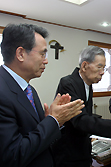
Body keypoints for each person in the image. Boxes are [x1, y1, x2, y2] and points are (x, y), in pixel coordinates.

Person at [0, 23, 84, 167]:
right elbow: (12, 155)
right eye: (42, 54)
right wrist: (53, 120)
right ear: (20, 54)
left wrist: (49, 121)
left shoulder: (29, 89)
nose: (46, 60)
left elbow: (32, 132)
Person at [51, 46, 111, 167]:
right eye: (99, 67)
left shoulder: (88, 84)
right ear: (84, 66)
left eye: (104, 68)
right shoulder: (68, 83)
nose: (102, 72)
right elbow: (80, 120)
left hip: (83, 148)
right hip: (68, 152)